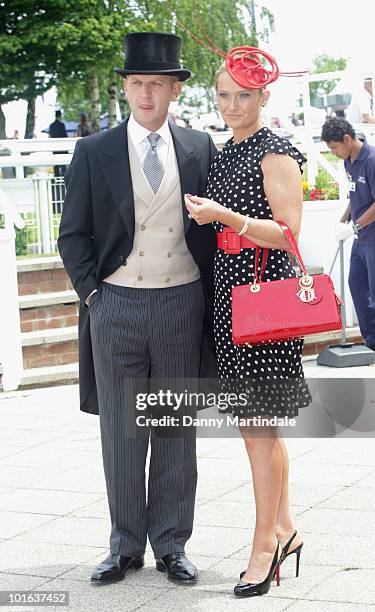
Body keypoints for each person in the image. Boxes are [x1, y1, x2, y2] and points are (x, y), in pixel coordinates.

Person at [58, 32, 217, 585]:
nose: (145, 94)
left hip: (181, 300)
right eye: (135, 83)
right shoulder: (93, 150)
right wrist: (95, 297)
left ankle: (171, 543)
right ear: (126, 87)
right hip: (116, 304)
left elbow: (216, 235)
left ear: (174, 89)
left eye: (156, 84)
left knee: (174, 426)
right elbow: (72, 235)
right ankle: (124, 546)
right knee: (123, 432)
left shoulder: (200, 147)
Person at [185, 47, 310, 598]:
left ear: (264, 97)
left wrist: (225, 217)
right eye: (223, 94)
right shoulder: (226, 149)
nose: (231, 104)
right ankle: (285, 528)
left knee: (260, 431)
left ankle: (266, 547)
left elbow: (289, 233)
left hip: (262, 302)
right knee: (255, 427)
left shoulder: (275, 151)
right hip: (231, 299)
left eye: (243, 95)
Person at [321, 117, 375, 351]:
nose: (334, 153)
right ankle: (371, 342)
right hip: (360, 239)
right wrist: (342, 221)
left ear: (347, 139)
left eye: (334, 147)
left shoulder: (371, 160)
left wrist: (353, 227)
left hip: (372, 238)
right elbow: (355, 196)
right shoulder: (348, 161)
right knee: (357, 285)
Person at [49, 110, 68, 177]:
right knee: (63, 166)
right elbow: (65, 136)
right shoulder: (62, 125)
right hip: (62, 147)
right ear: (60, 116)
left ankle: (56, 180)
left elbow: (50, 136)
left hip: (55, 147)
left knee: (56, 164)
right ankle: (64, 181)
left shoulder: (51, 125)